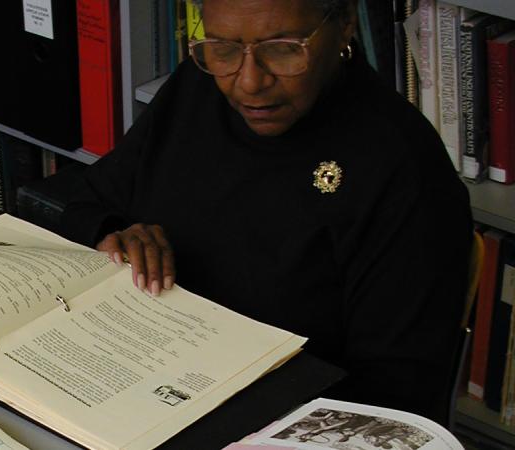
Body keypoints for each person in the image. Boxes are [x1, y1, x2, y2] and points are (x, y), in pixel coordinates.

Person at [60, 0, 472, 424]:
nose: (250, 82)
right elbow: (86, 203)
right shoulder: (197, 88)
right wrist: (114, 233)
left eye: (283, 48)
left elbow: (391, 400)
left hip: (275, 422)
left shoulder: (404, 171)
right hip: (137, 379)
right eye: (223, 47)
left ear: (345, 24)